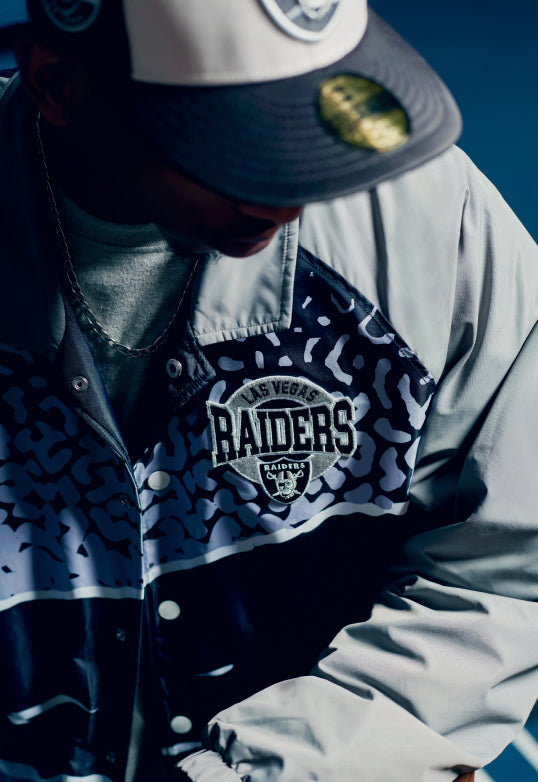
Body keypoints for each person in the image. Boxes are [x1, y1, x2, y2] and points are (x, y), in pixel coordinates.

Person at [0, 1, 536, 781]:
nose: (291, 194)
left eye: (316, 119)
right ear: (57, 83)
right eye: (233, 137)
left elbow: (510, 568)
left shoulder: (430, 213)